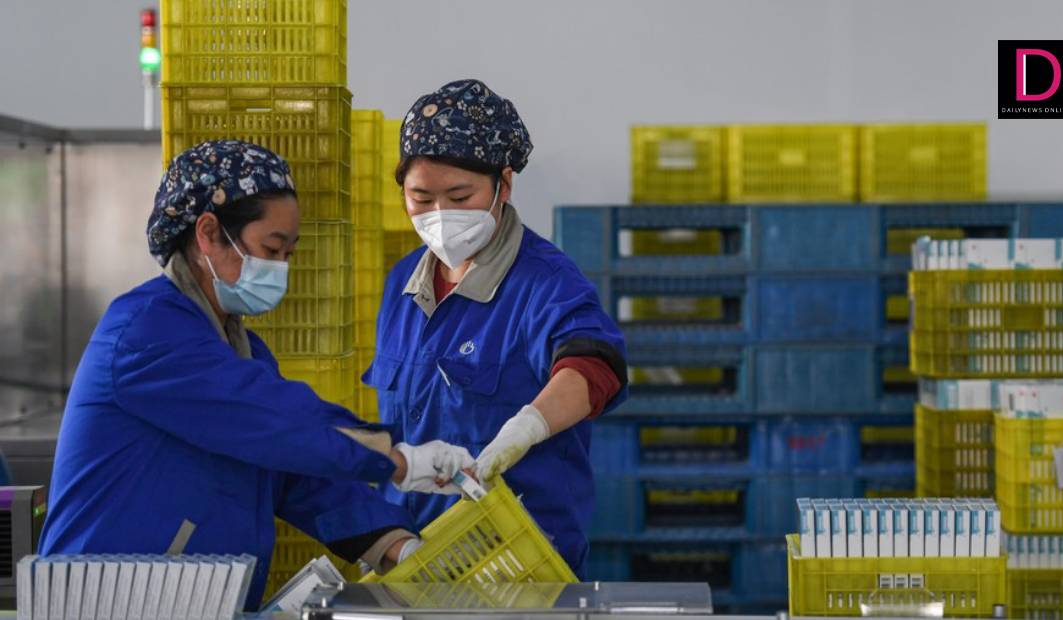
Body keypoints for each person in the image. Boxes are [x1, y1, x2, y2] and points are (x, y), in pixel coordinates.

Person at [39, 140, 473, 609]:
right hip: (107, 604)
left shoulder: (245, 353)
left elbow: (297, 475)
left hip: (191, 603)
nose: (280, 268)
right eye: (271, 248)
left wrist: (393, 543)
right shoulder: (146, 332)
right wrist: (396, 457)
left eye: (288, 253)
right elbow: (278, 423)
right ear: (208, 233)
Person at [365, 79, 628, 575]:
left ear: (503, 185)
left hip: (515, 560)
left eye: (460, 195)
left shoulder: (545, 281)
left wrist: (528, 427)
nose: (440, 215)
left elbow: (595, 365)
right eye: (421, 198)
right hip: (415, 555)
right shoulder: (403, 282)